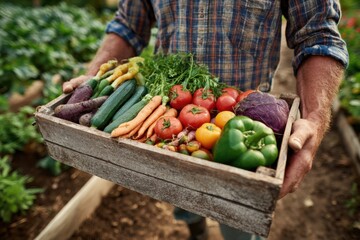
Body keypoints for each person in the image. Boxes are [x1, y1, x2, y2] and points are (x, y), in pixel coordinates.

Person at [62, 1, 349, 239]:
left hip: (243, 113)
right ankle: (195, 228)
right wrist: (96, 76)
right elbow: (128, 23)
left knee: (241, 217)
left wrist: (313, 118)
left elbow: (318, 36)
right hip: (171, 113)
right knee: (179, 192)